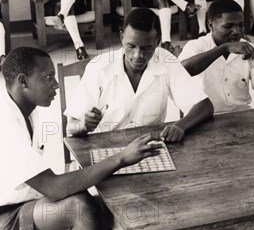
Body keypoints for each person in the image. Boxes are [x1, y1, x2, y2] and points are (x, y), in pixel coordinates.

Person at [0, 46, 162, 230]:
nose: (55, 84)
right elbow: (53, 187)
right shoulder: (2, 122)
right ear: (23, 81)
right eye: (48, 77)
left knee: (106, 207)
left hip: (10, 211)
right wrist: (121, 158)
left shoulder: (26, 110)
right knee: (80, 208)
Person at [65, 8, 214, 140]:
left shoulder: (165, 60)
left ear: (157, 41)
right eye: (131, 46)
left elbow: (204, 106)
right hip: (106, 147)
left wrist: (180, 125)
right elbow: (71, 126)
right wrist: (83, 125)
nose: (138, 55)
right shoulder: (99, 67)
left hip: (149, 146)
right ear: (122, 37)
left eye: (146, 48)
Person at [179, 0, 254, 114]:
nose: (236, 31)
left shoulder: (249, 49)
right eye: (228, 26)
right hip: (202, 119)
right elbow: (182, 70)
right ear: (211, 25)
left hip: (241, 116)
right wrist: (224, 48)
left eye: (241, 25)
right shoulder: (196, 46)